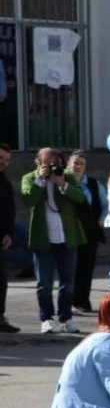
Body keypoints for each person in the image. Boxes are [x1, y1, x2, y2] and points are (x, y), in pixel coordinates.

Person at [22, 148, 86, 334]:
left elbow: (80, 197)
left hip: (67, 238)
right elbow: (28, 200)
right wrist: (40, 181)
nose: (52, 166)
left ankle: (66, 317)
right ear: (38, 162)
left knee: (68, 282)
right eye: (47, 163)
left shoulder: (66, 175)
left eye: (55, 162)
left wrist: (63, 185)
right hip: (43, 240)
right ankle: (47, 318)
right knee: (44, 283)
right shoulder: (30, 178)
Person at [68, 151, 107, 314]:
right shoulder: (63, 183)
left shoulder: (94, 184)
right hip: (69, 232)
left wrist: (101, 219)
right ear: (69, 164)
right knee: (70, 269)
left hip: (89, 232)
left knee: (86, 268)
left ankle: (83, 302)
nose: (78, 167)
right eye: (75, 163)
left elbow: (105, 205)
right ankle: (68, 303)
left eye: (81, 164)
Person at [0, 142, 16, 333]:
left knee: (1, 280)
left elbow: (9, 210)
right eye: (0, 159)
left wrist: (9, 234)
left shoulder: (4, 181)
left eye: (6, 160)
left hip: (1, 240)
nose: (4, 163)